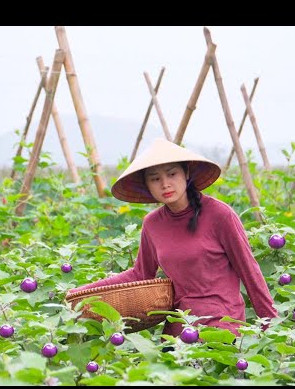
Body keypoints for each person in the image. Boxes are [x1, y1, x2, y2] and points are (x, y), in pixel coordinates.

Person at [68, 138, 278, 338]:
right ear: (147, 185)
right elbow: (140, 274)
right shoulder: (152, 224)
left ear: (186, 173)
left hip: (222, 328)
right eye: (155, 179)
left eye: (172, 174)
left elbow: (250, 272)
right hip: (180, 330)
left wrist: (271, 327)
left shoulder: (219, 215)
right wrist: (80, 293)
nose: (165, 184)